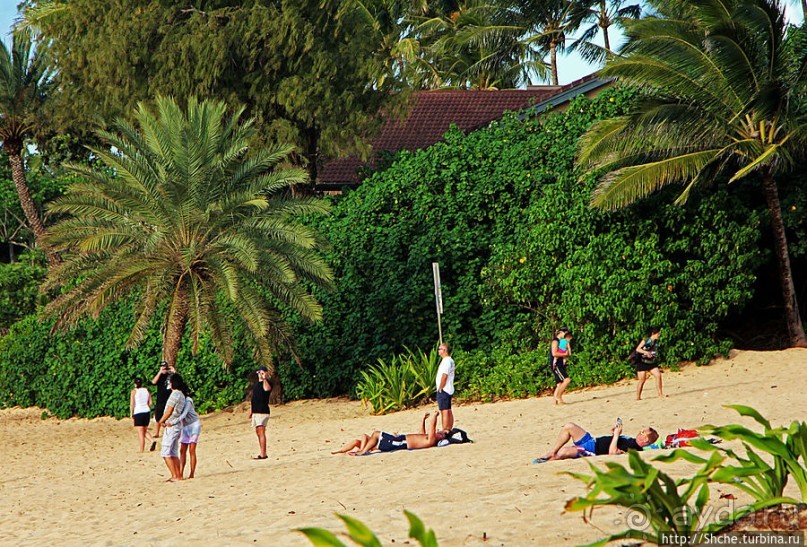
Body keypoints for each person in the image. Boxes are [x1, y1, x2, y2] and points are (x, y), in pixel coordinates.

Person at [535, 420, 659, 463]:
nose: (640, 432)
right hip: (591, 441)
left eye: (643, 432)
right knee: (569, 426)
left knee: (564, 452)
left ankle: (548, 460)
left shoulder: (634, 448)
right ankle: (552, 451)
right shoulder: (632, 441)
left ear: (646, 440)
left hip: (591, 450)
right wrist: (614, 434)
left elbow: (612, 453)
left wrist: (616, 435)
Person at [332, 412, 447, 455]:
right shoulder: (427, 438)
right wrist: (423, 420)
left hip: (400, 443)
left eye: (441, 433)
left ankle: (363, 451)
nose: (439, 431)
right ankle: (345, 451)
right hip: (399, 440)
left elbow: (432, 428)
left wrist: (435, 416)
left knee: (376, 434)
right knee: (366, 437)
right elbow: (421, 433)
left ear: (440, 438)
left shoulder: (431, 440)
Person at [158, 373, 187, 482]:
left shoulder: (175, 394)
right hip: (177, 425)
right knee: (173, 452)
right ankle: (178, 474)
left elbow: (169, 411)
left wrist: (161, 420)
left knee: (165, 452)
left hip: (172, 425)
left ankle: (175, 475)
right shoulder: (181, 394)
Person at [171, 383, 201, 479]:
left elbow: (183, 414)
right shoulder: (181, 401)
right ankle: (180, 473)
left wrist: (172, 422)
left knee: (192, 450)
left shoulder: (188, 401)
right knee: (182, 450)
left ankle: (192, 473)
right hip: (185, 426)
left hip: (194, 425)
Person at [633, 327, 664, 400]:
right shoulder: (646, 340)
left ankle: (660, 394)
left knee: (658, 375)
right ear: (653, 333)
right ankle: (638, 397)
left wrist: (653, 354)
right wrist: (646, 352)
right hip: (642, 362)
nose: (659, 335)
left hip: (651, 362)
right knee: (642, 380)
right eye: (658, 334)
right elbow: (638, 349)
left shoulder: (656, 342)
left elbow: (654, 351)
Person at [249, 366, 272, 460]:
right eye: (259, 373)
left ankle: (263, 453)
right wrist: (251, 411)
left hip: (262, 411)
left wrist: (264, 378)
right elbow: (254, 398)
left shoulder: (266, 383)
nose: (260, 374)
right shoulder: (257, 385)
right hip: (256, 411)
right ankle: (262, 452)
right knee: (258, 431)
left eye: (262, 372)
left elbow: (267, 389)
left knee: (261, 431)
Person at [129, 378, 156, 453]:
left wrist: (131, 413)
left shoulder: (134, 391)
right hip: (146, 412)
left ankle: (141, 450)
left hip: (138, 412)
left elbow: (132, 404)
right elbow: (150, 402)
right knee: (144, 430)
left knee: (140, 433)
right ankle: (152, 440)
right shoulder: (146, 390)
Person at [151, 361, 175, 438]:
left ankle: (169, 431)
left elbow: (178, 380)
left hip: (169, 398)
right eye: (163, 368)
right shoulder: (159, 376)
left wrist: (173, 371)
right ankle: (157, 432)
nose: (164, 369)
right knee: (158, 415)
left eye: (165, 368)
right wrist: (160, 372)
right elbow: (153, 382)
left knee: (170, 415)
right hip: (160, 399)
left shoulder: (170, 375)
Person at [436, 342, 456, 431]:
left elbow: (444, 375)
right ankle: (449, 428)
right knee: (448, 409)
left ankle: (445, 429)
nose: (438, 351)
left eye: (440, 349)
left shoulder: (446, 361)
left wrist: (441, 387)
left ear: (444, 350)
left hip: (444, 389)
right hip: (448, 389)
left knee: (444, 410)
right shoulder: (450, 360)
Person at [550, 327, 572, 405]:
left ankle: (555, 403)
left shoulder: (563, 342)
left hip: (560, 364)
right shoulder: (555, 341)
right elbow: (554, 353)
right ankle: (558, 397)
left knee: (559, 384)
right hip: (556, 365)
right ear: (561, 332)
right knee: (567, 380)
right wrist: (565, 354)